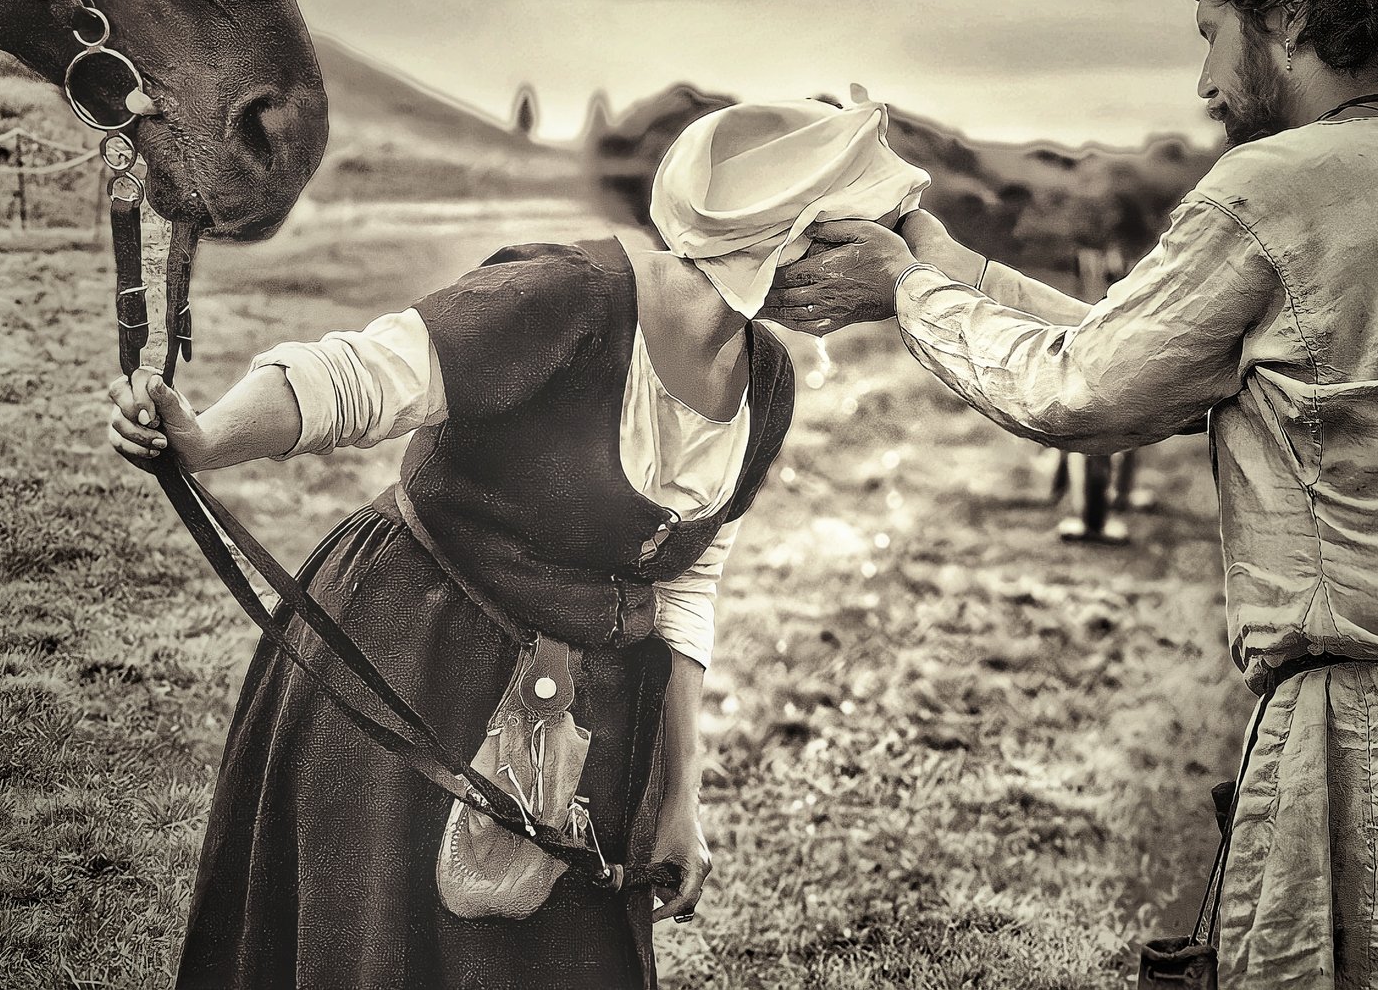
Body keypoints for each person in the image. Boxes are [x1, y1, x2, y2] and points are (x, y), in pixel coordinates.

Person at [769, 0, 1378, 987]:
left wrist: (904, 295)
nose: (1202, 79)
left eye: (1211, 34)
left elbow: (1080, 394)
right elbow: (1155, 356)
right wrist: (946, 266)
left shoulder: (1274, 186)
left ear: (1285, 17)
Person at [107, 99, 925, 989]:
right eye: (862, 245)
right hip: (411, 654)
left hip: (582, 724)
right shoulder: (564, 295)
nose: (876, 276)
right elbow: (367, 375)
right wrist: (211, 436)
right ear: (791, 242)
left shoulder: (767, 382)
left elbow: (688, 583)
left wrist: (678, 798)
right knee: (378, 949)